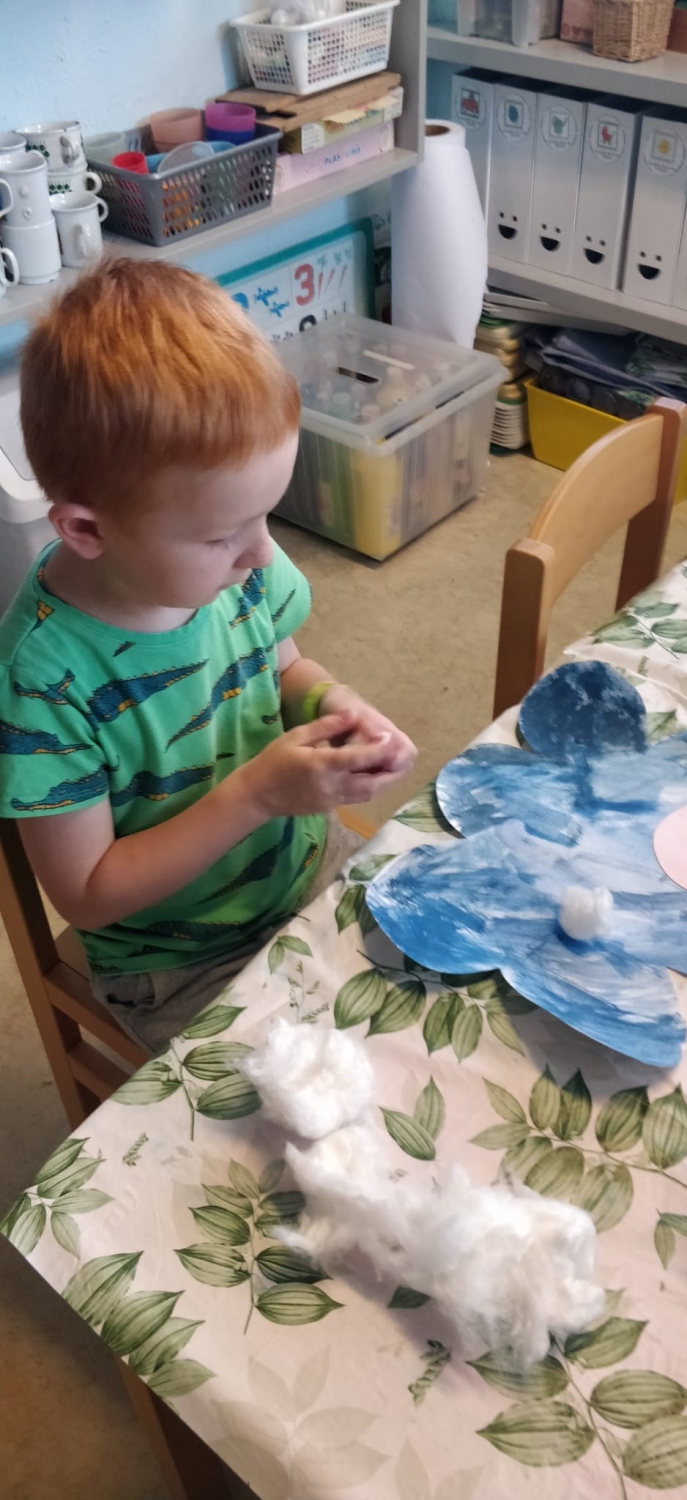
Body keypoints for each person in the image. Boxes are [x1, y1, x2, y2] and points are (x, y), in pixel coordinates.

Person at [0, 260, 416, 1054]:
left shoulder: (235, 571)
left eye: (266, 515)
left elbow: (284, 669)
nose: (261, 554)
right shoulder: (42, 682)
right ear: (87, 530)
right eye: (224, 533)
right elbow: (86, 893)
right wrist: (254, 796)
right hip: (179, 962)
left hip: (305, 862)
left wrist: (333, 703)